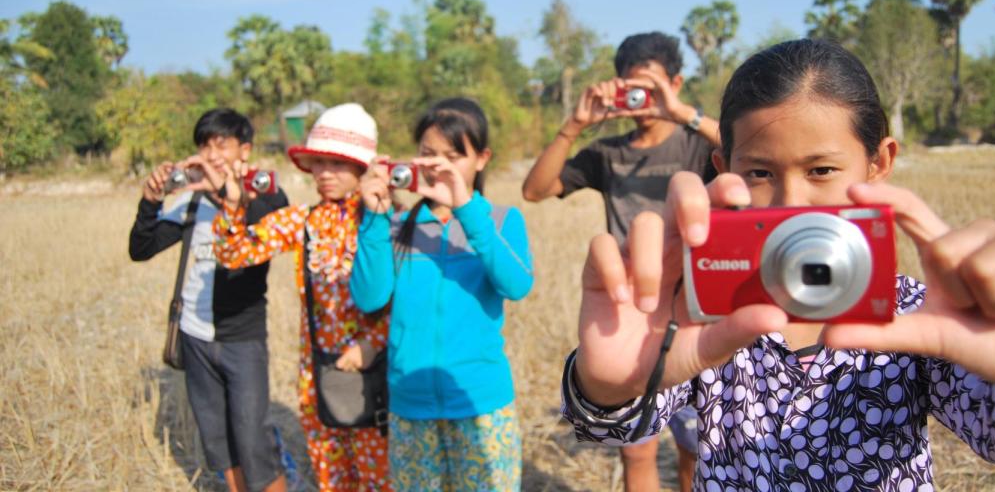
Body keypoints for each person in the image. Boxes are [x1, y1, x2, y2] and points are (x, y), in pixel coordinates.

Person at [562, 39, 995, 491]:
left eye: (821, 170)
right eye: (760, 173)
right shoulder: (708, 312)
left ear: (879, 162)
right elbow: (614, 428)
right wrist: (611, 384)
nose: (791, 203)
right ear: (723, 169)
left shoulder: (918, 314)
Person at [522, 31, 717, 491]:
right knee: (638, 452)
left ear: (676, 82)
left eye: (654, 86)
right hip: (632, 311)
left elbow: (752, 155)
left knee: (696, 453)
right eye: (634, 86)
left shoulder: (697, 144)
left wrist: (683, 112)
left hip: (695, 310)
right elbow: (535, 189)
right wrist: (574, 125)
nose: (643, 98)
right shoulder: (608, 153)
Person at [351, 97, 534, 491]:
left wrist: (466, 209)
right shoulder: (396, 226)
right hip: (409, 404)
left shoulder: (501, 221)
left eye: (454, 156)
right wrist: (373, 217)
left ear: (481, 159)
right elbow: (369, 298)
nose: (438, 166)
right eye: (428, 154)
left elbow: (516, 285)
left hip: (480, 403)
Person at [211, 103, 391, 491]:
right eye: (318, 162)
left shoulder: (386, 219)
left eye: (337, 164)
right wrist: (232, 203)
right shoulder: (304, 220)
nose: (324, 173)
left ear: (363, 168)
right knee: (331, 474)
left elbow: (408, 298)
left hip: (378, 374)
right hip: (319, 375)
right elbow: (233, 252)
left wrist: (372, 344)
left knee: (381, 477)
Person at [128, 108, 290, 492]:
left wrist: (223, 194)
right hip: (195, 335)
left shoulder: (264, 192)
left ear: (244, 151)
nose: (212, 154)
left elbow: (274, 227)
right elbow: (141, 248)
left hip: (243, 339)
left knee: (255, 442)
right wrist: (151, 200)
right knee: (218, 442)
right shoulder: (189, 203)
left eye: (222, 145)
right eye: (204, 145)